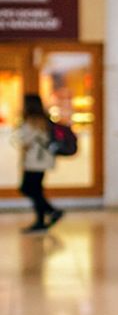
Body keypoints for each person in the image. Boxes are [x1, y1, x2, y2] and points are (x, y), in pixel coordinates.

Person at [12, 94, 64, 234]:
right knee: (36, 190)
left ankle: (51, 212)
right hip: (44, 160)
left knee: (28, 188)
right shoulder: (44, 120)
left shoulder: (30, 121)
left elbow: (24, 142)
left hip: (34, 161)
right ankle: (41, 220)